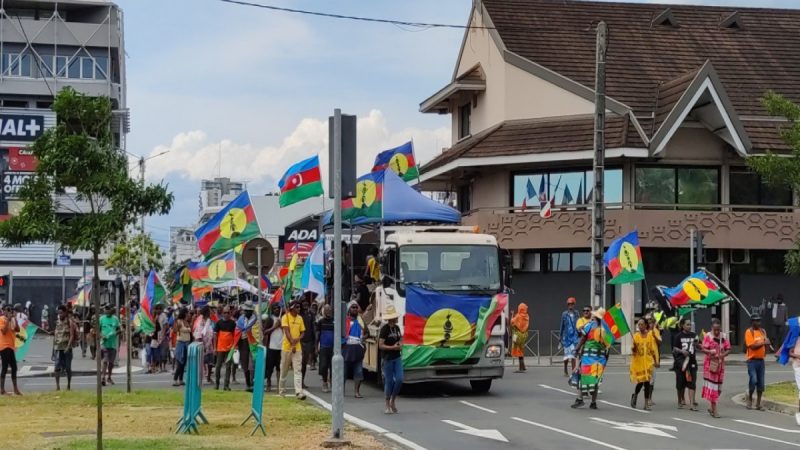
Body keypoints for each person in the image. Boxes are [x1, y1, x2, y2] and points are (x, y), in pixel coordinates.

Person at [571, 307, 610, 409]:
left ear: (596, 317)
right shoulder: (607, 330)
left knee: (583, 376)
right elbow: (608, 347)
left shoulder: (590, 325)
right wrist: (606, 360)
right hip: (601, 358)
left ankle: (580, 399)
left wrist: (576, 349)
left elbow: (583, 338)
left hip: (589, 356)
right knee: (596, 379)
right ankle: (593, 402)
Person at [701, 318, 731, 418]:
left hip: (720, 365)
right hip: (710, 366)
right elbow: (703, 348)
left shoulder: (724, 336)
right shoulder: (708, 336)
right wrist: (710, 352)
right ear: (711, 328)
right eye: (715, 330)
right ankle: (715, 410)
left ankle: (711, 407)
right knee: (713, 387)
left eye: (718, 329)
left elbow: (728, 349)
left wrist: (722, 355)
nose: (717, 332)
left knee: (718, 389)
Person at [279, 300, 306, 399]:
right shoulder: (285, 317)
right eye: (297, 307)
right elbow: (286, 331)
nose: (299, 309)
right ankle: (281, 390)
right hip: (286, 348)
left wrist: (297, 339)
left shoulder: (300, 318)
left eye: (299, 307)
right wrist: (292, 343)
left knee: (298, 370)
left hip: (297, 348)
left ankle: (299, 392)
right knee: (284, 370)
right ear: (291, 308)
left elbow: (303, 332)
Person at [379, 305, 403, 414]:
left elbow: (401, 339)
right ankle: (387, 403)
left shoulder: (397, 328)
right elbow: (381, 345)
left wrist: (400, 344)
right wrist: (392, 347)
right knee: (389, 381)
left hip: (397, 357)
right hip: (388, 358)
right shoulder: (385, 329)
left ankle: (393, 399)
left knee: (399, 379)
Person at [630, 319, 658, 410]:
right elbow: (633, 351)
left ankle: (646, 404)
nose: (640, 326)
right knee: (640, 382)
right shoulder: (635, 336)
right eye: (639, 324)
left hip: (648, 362)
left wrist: (656, 361)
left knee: (647, 383)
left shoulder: (650, 336)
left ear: (646, 325)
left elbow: (653, 349)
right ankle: (635, 394)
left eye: (642, 324)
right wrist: (634, 348)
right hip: (639, 362)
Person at [745, 315, 770, 410]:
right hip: (752, 361)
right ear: (752, 322)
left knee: (761, 383)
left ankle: (758, 403)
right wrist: (763, 343)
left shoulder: (763, 331)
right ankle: (750, 398)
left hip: (761, 361)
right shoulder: (749, 332)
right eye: (756, 321)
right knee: (753, 380)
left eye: (759, 321)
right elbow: (752, 346)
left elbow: (766, 343)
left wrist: (766, 347)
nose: (759, 323)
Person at [672, 318, 699, 411]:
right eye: (687, 324)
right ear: (682, 325)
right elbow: (674, 349)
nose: (689, 326)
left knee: (692, 383)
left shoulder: (694, 335)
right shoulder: (678, 336)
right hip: (681, 362)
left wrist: (697, 344)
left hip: (692, 361)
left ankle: (691, 404)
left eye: (690, 325)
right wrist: (681, 351)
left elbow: (699, 346)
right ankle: (679, 400)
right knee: (680, 383)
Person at [344, 300, 366, 398]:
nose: (355, 309)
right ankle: (341, 391)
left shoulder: (360, 321)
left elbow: (367, 332)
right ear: (349, 309)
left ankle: (357, 392)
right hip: (346, 349)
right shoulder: (345, 321)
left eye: (356, 307)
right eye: (353, 307)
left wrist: (362, 339)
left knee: (358, 372)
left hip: (357, 349)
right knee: (343, 372)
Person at [53, 305, 76, 391]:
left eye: (61, 313)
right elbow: (56, 335)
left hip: (67, 349)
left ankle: (68, 385)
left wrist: (68, 347)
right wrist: (53, 349)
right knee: (57, 367)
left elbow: (72, 335)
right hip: (58, 348)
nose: (60, 314)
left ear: (65, 313)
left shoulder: (70, 322)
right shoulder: (57, 322)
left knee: (68, 368)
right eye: (58, 313)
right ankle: (57, 386)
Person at [213, 306, 237, 391]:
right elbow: (215, 335)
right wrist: (215, 348)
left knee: (228, 367)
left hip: (229, 349)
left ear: (230, 313)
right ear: (222, 313)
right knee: (218, 366)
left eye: (228, 313)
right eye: (225, 313)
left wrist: (234, 346)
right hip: (220, 348)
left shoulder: (233, 323)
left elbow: (235, 335)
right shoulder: (218, 323)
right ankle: (217, 384)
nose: (226, 314)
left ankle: (226, 385)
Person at [236, 301, 258, 392]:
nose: (246, 312)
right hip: (243, 342)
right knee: (245, 363)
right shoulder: (241, 319)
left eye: (248, 310)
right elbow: (237, 330)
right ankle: (248, 384)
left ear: (252, 311)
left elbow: (258, 332)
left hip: (253, 342)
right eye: (245, 310)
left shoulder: (256, 320)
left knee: (252, 363)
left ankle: (253, 383)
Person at [0, 304, 21, 395]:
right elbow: (4, 332)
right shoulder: (1, 319)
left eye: (10, 310)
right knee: (4, 367)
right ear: (3, 310)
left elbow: (18, 329)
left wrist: (14, 318)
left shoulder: (12, 319)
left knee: (14, 367)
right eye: (7, 310)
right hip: (4, 346)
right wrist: (8, 319)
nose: (8, 312)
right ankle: (2, 389)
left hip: (11, 346)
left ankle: (16, 389)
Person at [99, 305, 121, 386]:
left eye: (109, 308)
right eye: (106, 309)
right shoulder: (101, 319)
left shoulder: (115, 319)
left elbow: (120, 329)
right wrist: (102, 336)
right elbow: (97, 330)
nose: (107, 310)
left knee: (111, 363)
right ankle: (103, 378)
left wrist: (115, 333)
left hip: (113, 344)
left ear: (112, 310)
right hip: (104, 343)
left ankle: (109, 377)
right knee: (105, 361)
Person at [192, 306, 215, 384]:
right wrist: (202, 345)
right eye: (209, 311)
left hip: (209, 345)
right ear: (206, 312)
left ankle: (208, 377)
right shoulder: (200, 321)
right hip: (202, 344)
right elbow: (199, 334)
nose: (210, 313)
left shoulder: (209, 321)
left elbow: (211, 332)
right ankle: (199, 379)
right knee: (201, 363)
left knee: (210, 362)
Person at [264, 303, 283, 392]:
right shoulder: (270, 319)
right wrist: (274, 327)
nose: (277, 310)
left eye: (278, 308)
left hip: (281, 347)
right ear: (272, 310)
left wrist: (281, 326)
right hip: (271, 347)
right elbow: (264, 332)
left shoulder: (282, 319)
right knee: (270, 367)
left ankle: (279, 384)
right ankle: (268, 382)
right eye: (275, 308)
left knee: (279, 367)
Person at [317, 304, 334, 393]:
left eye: (329, 310)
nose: (328, 311)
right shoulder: (321, 322)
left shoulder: (334, 321)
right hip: (323, 347)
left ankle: (332, 382)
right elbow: (317, 335)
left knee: (333, 366)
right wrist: (316, 347)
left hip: (333, 348)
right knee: (323, 366)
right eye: (326, 310)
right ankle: (324, 382)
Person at [560, 297, 579, 377]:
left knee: (574, 355)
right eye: (569, 304)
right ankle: (565, 369)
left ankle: (574, 371)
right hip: (567, 337)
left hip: (574, 336)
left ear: (574, 304)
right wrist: (560, 336)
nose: (570, 305)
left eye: (572, 304)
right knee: (567, 356)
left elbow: (579, 323)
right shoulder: (564, 314)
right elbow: (562, 325)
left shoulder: (577, 313)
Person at [300, 297, 316, 389]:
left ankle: (302, 381)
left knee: (304, 363)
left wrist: (314, 342)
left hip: (309, 341)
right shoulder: (298, 314)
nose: (305, 304)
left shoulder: (311, 314)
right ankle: (299, 382)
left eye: (306, 302)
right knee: (300, 363)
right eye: (303, 302)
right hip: (300, 341)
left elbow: (313, 327)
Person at [172, 308, 191, 387]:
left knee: (183, 363)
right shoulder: (179, 321)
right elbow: (177, 330)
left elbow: (190, 329)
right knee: (180, 362)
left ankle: (181, 379)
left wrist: (188, 328)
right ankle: (175, 379)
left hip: (186, 342)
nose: (188, 314)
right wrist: (188, 329)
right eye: (187, 313)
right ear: (184, 313)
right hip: (180, 343)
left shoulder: (185, 321)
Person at [646, 314, 662, 405]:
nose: (650, 325)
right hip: (645, 359)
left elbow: (659, 343)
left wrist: (654, 335)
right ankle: (641, 396)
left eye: (651, 323)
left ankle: (649, 399)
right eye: (648, 323)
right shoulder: (644, 332)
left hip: (654, 359)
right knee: (645, 380)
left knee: (652, 381)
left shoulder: (656, 331)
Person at [510, 303, 529, 372]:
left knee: (518, 351)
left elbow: (512, 322)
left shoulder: (518, 316)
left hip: (518, 335)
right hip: (524, 335)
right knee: (521, 349)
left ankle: (521, 368)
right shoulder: (527, 316)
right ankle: (523, 366)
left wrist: (512, 314)